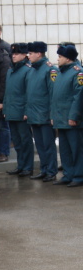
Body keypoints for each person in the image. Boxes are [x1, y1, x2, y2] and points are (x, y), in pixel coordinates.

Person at [49, 44, 83, 187]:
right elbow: (55, 97)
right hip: (60, 118)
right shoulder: (61, 73)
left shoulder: (77, 73)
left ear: (68, 58)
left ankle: (79, 175)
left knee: (76, 149)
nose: (58, 59)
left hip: (71, 120)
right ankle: (68, 174)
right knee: (64, 149)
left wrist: (74, 116)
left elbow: (78, 97)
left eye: (60, 56)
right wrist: (53, 115)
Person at [24, 41, 58, 182]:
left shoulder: (50, 70)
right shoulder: (32, 70)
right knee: (39, 145)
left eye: (31, 53)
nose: (28, 55)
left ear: (39, 54)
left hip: (45, 115)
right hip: (34, 114)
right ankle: (44, 170)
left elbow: (53, 94)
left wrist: (52, 115)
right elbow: (28, 94)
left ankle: (51, 171)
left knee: (48, 145)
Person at [3, 43, 35, 177]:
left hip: (22, 113)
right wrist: (5, 108)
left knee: (25, 141)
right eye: (12, 54)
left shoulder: (28, 70)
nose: (13, 56)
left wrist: (27, 111)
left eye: (16, 54)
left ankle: (28, 167)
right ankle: (21, 165)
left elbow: (29, 93)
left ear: (24, 55)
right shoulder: (10, 70)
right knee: (17, 141)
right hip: (11, 111)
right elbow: (7, 92)